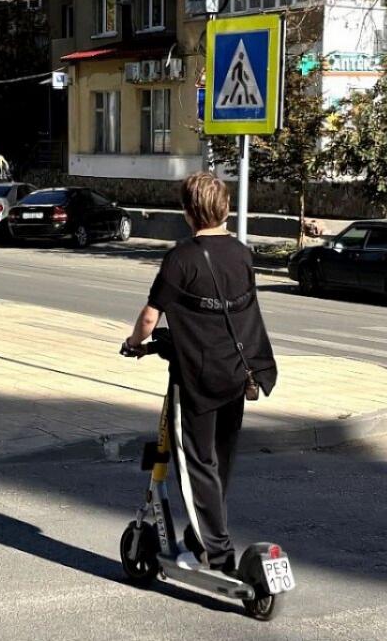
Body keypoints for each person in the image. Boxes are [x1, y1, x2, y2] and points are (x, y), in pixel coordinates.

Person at [122, 172, 277, 574]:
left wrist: (136, 342)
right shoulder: (242, 253)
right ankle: (199, 536)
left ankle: (219, 553)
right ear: (224, 208)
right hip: (240, 372)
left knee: (197, 463)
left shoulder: (181, 257)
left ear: (189, 212)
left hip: (199, 378)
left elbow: (150, 316)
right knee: (221, 461)